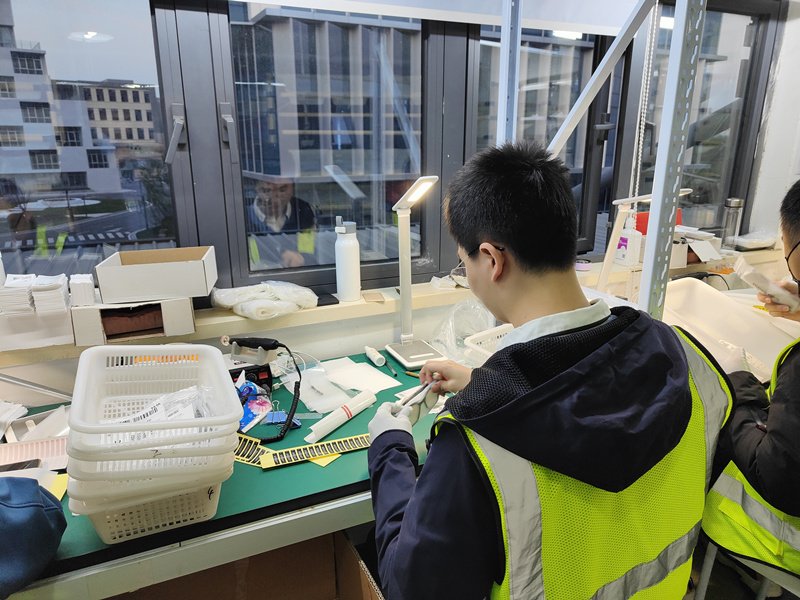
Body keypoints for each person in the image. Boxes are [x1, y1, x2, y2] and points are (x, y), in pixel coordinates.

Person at [366, 140, 733, 600]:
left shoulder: (476, 442)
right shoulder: (685, 357)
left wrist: (389, 449)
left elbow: (411, 589)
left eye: (464, 262)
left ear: (492, 260)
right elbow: (588, 403)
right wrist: (485, 382)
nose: (467, 276)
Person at [703, 178, 800, 580]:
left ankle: (724, 562)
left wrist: (739, 387)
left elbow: (775, 476)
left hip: (788, 538)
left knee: (707, 444)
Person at [247, 176, 316, 267]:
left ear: (293, 186)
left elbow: (315, 257)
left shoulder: (305, 212)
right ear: (256, 187)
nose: (275, 200)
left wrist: (302, 258)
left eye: (282, 190)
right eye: (266, 191)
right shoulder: (241, 216)